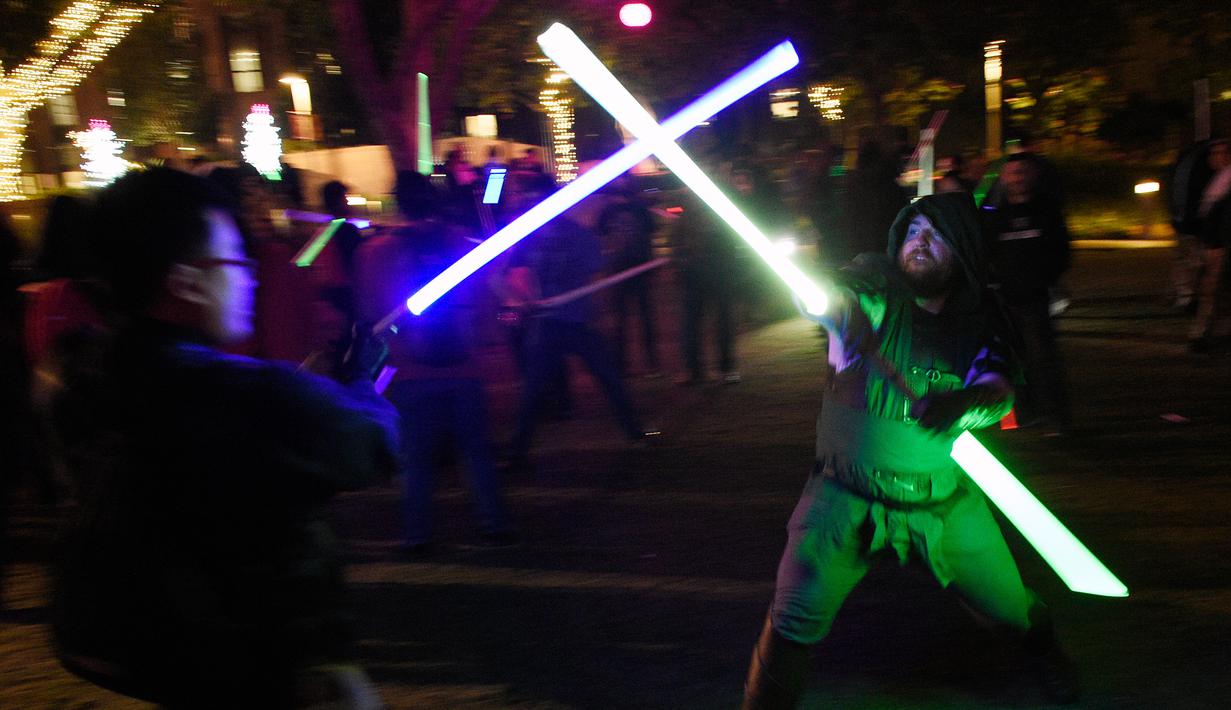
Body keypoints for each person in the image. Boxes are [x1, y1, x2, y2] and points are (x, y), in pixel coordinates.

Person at [51, 167, 398, 708]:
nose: (252, 277)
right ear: (186, 281)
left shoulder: (91, 378)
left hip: (159, 661)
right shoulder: (239, 395)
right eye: (237, 261)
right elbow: (369, 446)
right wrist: (361, 379)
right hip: (263, 667)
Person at [741, 193, 1078, 708]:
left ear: (962, 248)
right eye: (914, 228)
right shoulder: (875, 290)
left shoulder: (982, 322)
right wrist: (833, 305)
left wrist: (964, 403)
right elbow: (838, 296)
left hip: (940, 503)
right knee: (792, 622)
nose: (920, 240)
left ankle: (1045, 652)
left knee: (1011, 608)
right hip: (842, 496)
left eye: (936, 232)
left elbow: (998, 388)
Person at [356, 171, 514, 554]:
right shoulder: (459, 241)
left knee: (416, 459)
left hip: (412, 369)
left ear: (399, 202)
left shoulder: (378, 251)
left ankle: (418, 534)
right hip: (465, 365)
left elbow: (372, 312)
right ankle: (493, 525)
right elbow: (483, 296)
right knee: (475, 453)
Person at [504, 174, 650, 470]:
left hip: (572, 321)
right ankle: (634, 434)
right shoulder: (555, 235)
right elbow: (505, 272)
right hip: (561, 322)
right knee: (595, 380)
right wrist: (519, 299)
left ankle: (634, 433)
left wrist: (518, 298)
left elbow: (595, 268)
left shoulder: (556, 235)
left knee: (600, 379)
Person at [983, 153, 1072, 433]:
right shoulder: (996, 217)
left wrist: (1046, 278)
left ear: (1031, 175)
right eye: (1011, 173)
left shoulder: (1046, 211)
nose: (1017, 178)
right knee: (1012, 361)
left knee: (1042, 359)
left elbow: (1062, 250)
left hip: (1035, 298)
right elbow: (986, 253)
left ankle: (1052, 416)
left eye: (1021, 172)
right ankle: (1019, 415)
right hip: (1005, 299)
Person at [597, 177, 661, 375]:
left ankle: (626, 365)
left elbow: (601, 232)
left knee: (626, 319)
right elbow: (653, 228)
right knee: (639, 319)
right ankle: (647, 364)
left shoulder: (612, 210)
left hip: (624, 269)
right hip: (633, 267)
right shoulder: (636, 208)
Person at [1189, 139, 1231, 351]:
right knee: (1212, 290)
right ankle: (1206, 332)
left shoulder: (1226, 179)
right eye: (1213, 153)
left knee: (1211, 289)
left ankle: (1204, 334)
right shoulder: (1217, 178)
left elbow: (1220, 216)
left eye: (1220, 153)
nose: (1214, 158)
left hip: (1219, 243)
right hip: (1213, 241)